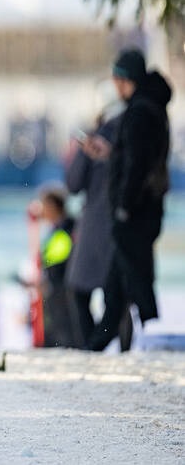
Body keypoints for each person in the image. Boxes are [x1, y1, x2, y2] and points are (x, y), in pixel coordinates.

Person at [87, 48, 172, 351]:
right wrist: (112, 154)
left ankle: (150, 335)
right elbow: (136, 158)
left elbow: (137, 165)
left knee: (136, 278)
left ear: (126, 80)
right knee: (118, 283)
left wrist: (124, 206)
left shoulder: (139, 112)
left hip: (135, 212)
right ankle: (99, 342)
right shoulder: (149, 108)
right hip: (142, 209)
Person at [64, 109, 123, 348]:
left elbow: (73, 183)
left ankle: (95, 344)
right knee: (109, 294)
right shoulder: (99, 138)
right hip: (105, 225)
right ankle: (96, 344)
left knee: (109, 292)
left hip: (110, 225)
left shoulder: (124, 136)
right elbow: (74, 183)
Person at [28, 186, 75, 347]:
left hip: (61, 289)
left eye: (44, 205)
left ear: (53, 206)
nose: (41, 210)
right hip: (57, 288)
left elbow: (56, 260)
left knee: (64, 331)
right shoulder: (62, 228)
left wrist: (44, 274)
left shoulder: (65, 229)